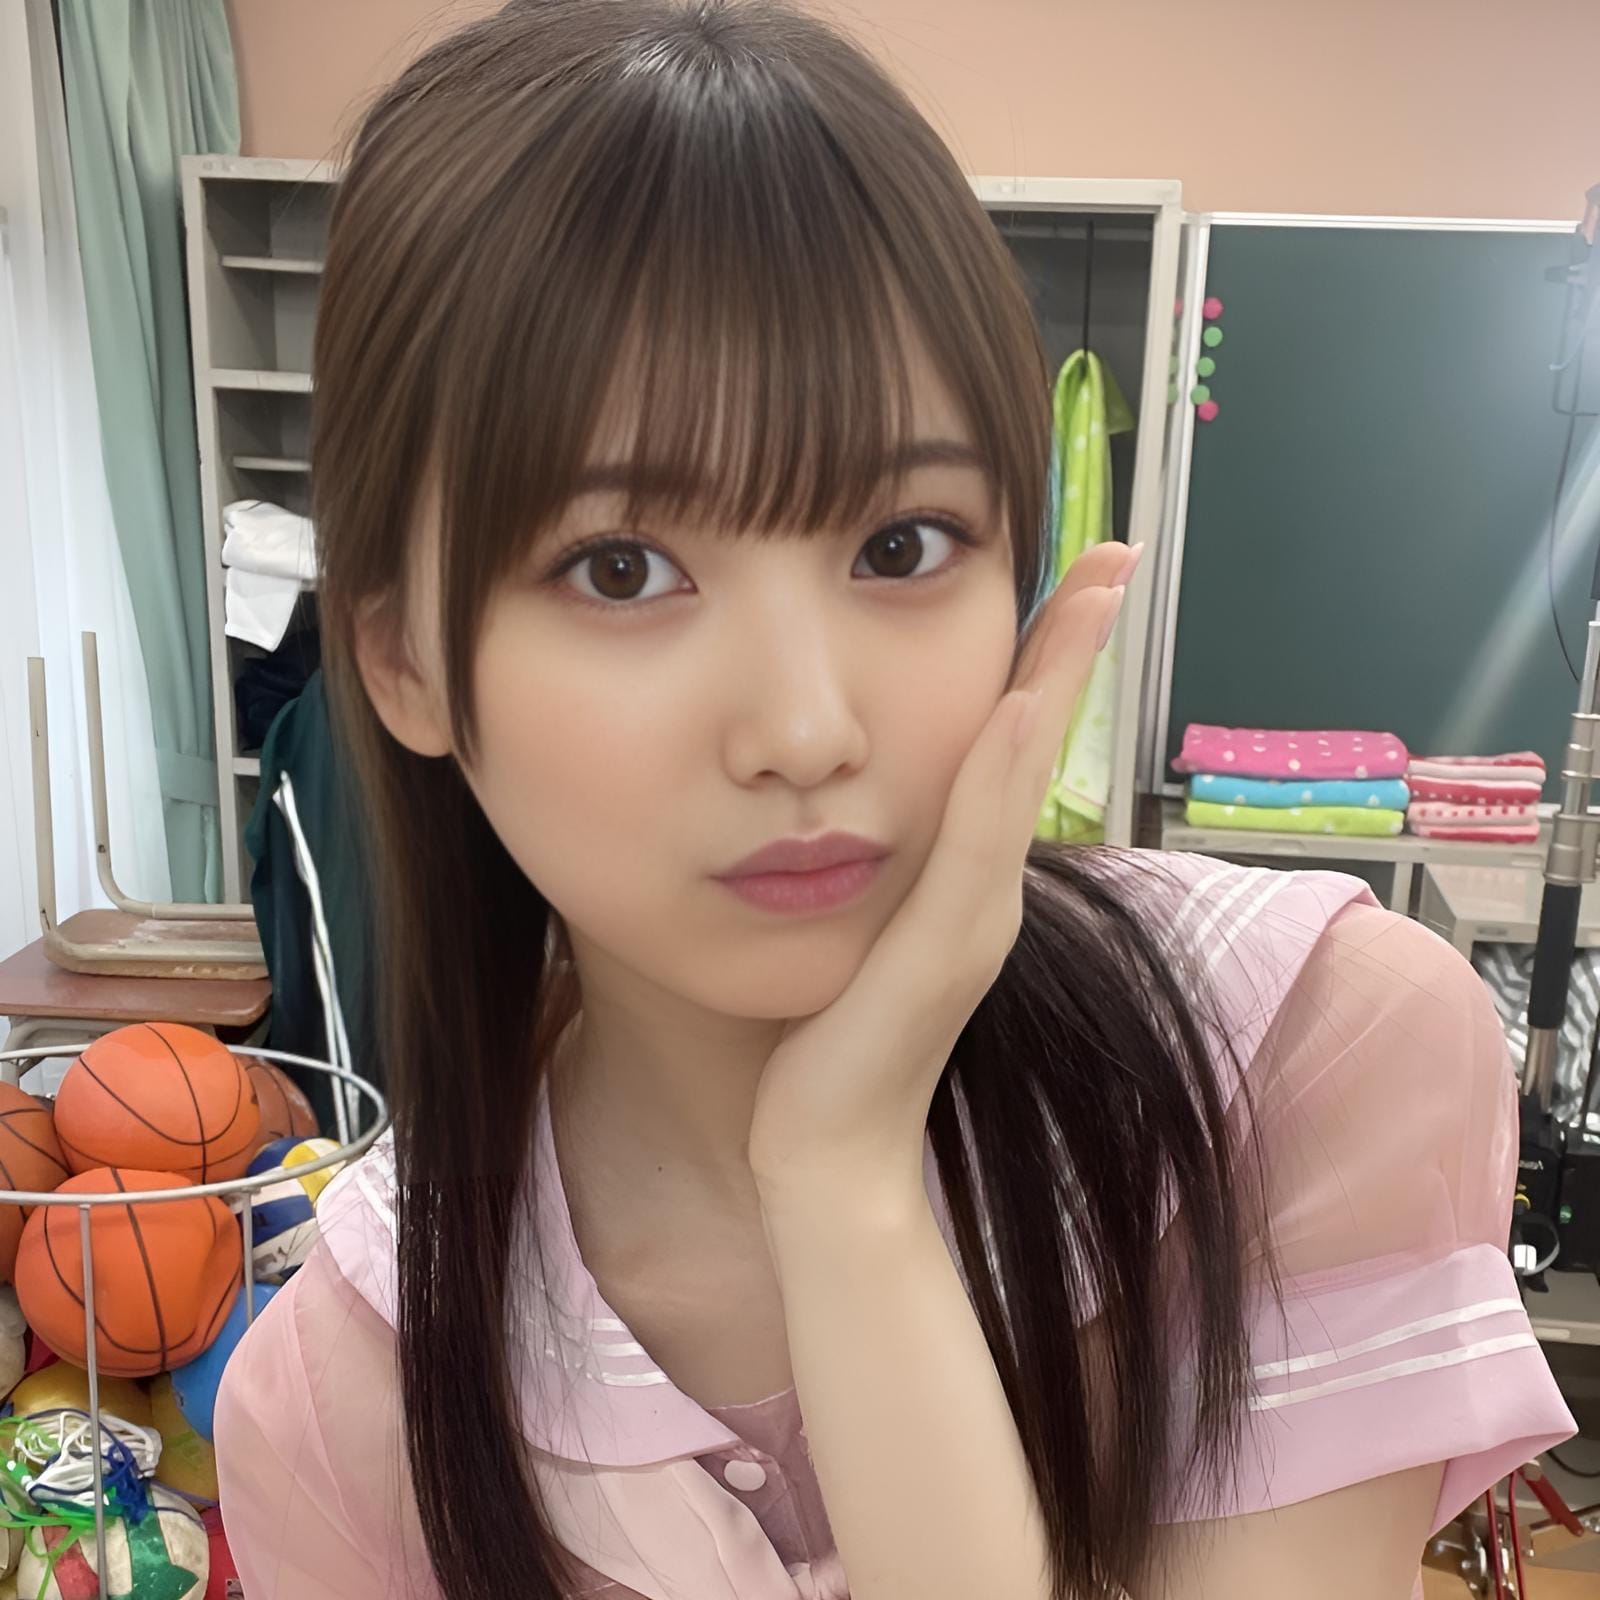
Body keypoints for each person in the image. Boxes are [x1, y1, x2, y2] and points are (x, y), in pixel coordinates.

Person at [211, 3, 1577, 1596]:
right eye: (621, 568)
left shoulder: (1296, 1062)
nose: (805, 728)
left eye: (900, 545)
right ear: (401, 660)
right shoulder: (351, 1403)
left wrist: (846, 1188)